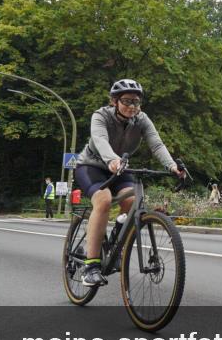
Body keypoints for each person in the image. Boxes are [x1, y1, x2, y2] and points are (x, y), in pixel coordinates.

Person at [73, 79, 185, 286]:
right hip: (91, 166)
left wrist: (172, 166)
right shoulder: (100, 116)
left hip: (120, 167)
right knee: (104, 200)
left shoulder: (142, 119)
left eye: (136, 101)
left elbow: (156, 144)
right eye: (126, 101)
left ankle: (117, 235)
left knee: (132, 202)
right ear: (114, 101)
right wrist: (112, 160)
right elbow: (100, 140)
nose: (132, 106)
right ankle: (91, 266)